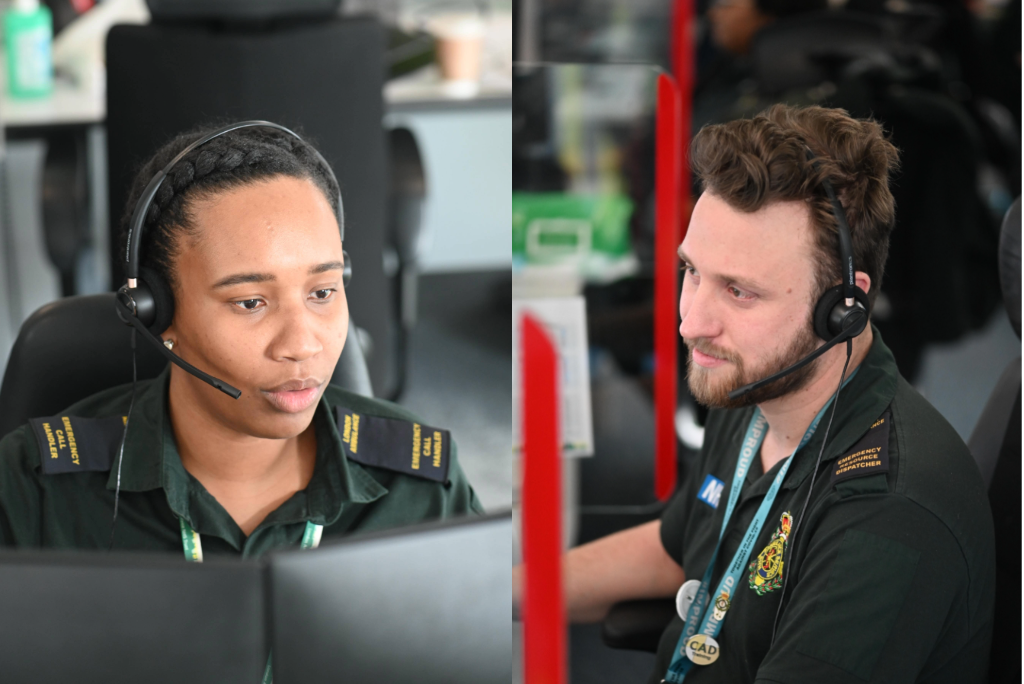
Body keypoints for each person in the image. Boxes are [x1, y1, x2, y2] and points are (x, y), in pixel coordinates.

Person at [517, 104, 995, 682]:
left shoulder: (883, 519)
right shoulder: (756, 385)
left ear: (843, 307)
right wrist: (507, 589)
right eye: (692, 272)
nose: (692, 323)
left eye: (739, 292)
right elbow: (681, 546)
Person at [0, 123, 483, 554]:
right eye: (251, 302)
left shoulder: (419, 484)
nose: (302, 345)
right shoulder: (37, 491)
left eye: (322, 291)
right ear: (156, 313)